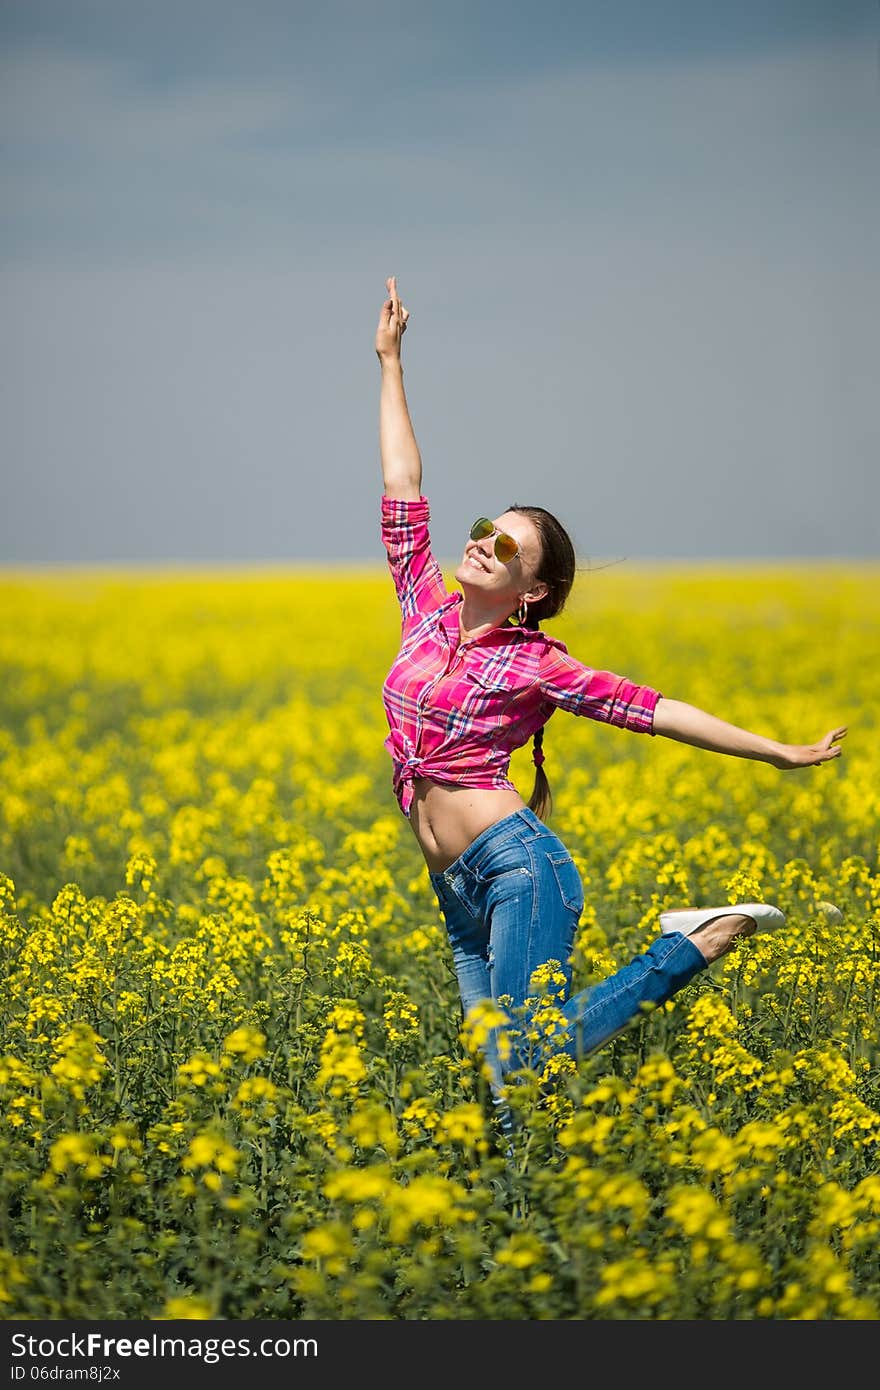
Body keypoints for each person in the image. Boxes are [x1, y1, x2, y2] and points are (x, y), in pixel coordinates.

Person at [374, 275, 847, 1136]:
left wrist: (778, 751)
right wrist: (391, 362)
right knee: (506, 1095)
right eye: (485, 528)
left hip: (519, 870)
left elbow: (656, 709)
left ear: (534, 587)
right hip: (458, 891)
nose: (483, 543)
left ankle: (692, 943)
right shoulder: (424, 607)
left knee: (525, 1058)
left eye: (507, 544)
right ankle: (515, 1234)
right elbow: (403, 483)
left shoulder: (537, 664)